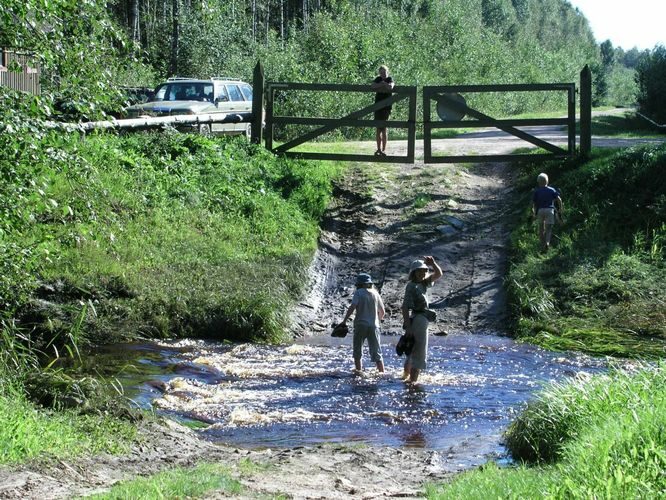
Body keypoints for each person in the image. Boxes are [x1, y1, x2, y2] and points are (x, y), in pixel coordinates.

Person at [401, 256, 443, 383]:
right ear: (413, 272)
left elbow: (439, 274)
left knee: (412, 350)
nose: (423, 273)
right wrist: (408, 327)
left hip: (420, 319)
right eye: (419, 271)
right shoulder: (411, 286)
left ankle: (406, 377)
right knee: (419, 352)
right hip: (418, 319)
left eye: (424, 271)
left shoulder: (423, 283)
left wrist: (433, 263)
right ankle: (412, 383)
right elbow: (405, 307)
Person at [340, 273, 386, 372]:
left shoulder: (359, 293)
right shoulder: (375, 293)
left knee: (358, 351)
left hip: (360, 324)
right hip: (374, 326)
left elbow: (352, 307)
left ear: (359, 284)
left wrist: (344, 321)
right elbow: (382, 311)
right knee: (377, 352)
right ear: (369, 283)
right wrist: (378, 320)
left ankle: (358, 372)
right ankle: (382, 372)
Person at [532, 172, 563, 252]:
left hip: (540, 211)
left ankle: (542, 245)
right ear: (547, 181)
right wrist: (560, 208)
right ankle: (547, 243)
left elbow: (534, 203)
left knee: (541, 228)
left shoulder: (537, 191)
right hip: (550, 210)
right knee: (549, 229)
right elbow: (559, 199)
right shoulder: (551, 190)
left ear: (538, 182)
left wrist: (533, 212)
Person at [371, 65, 395, 157]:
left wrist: (384, 84)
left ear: (387, 72)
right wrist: (381, 84)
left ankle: (384, 150)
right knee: (378, 129)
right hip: (377, 107)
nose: (383, 74)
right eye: (381, 73)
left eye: (384, 72)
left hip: (386, 108)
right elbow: (372, 86)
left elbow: (391, 87)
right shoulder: (378, 79)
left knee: (384, 129)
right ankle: (378, 149)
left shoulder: (389, 79)